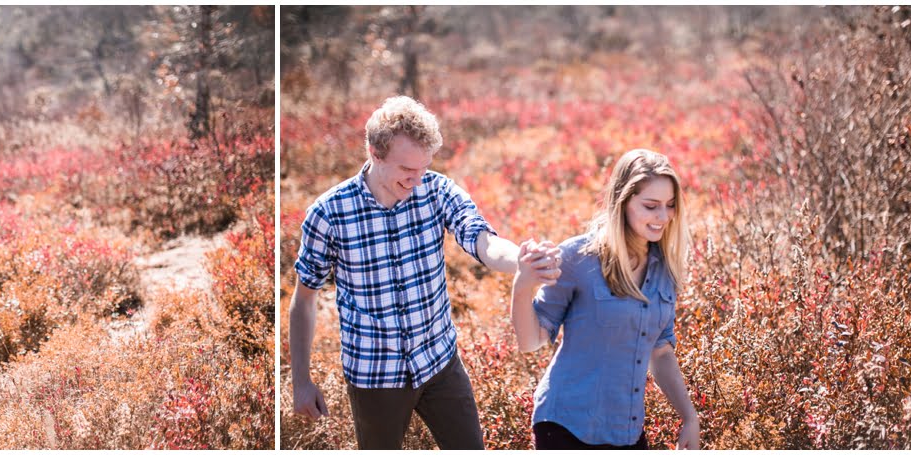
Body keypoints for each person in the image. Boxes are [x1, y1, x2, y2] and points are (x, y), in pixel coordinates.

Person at [289, 96, 560, 450]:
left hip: (440, 362)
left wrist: (522, 260)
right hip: (374, 376)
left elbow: (482, 240)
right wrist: (300, 382)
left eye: (424, 168)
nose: (417, 180)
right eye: (406, 171)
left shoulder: (437, 190)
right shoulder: (329, 214)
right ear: (375, 153)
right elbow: (304, 299)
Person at [510, 148, 700, 450]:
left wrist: (689, 417)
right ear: (623, 202)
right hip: (564, 426)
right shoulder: (576, 258)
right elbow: (531, 341)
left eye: (670, 205)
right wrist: (522, 288)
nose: (663, 217)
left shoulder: (665, 269)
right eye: (651, 206)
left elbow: (660, 350)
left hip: (625, 431)